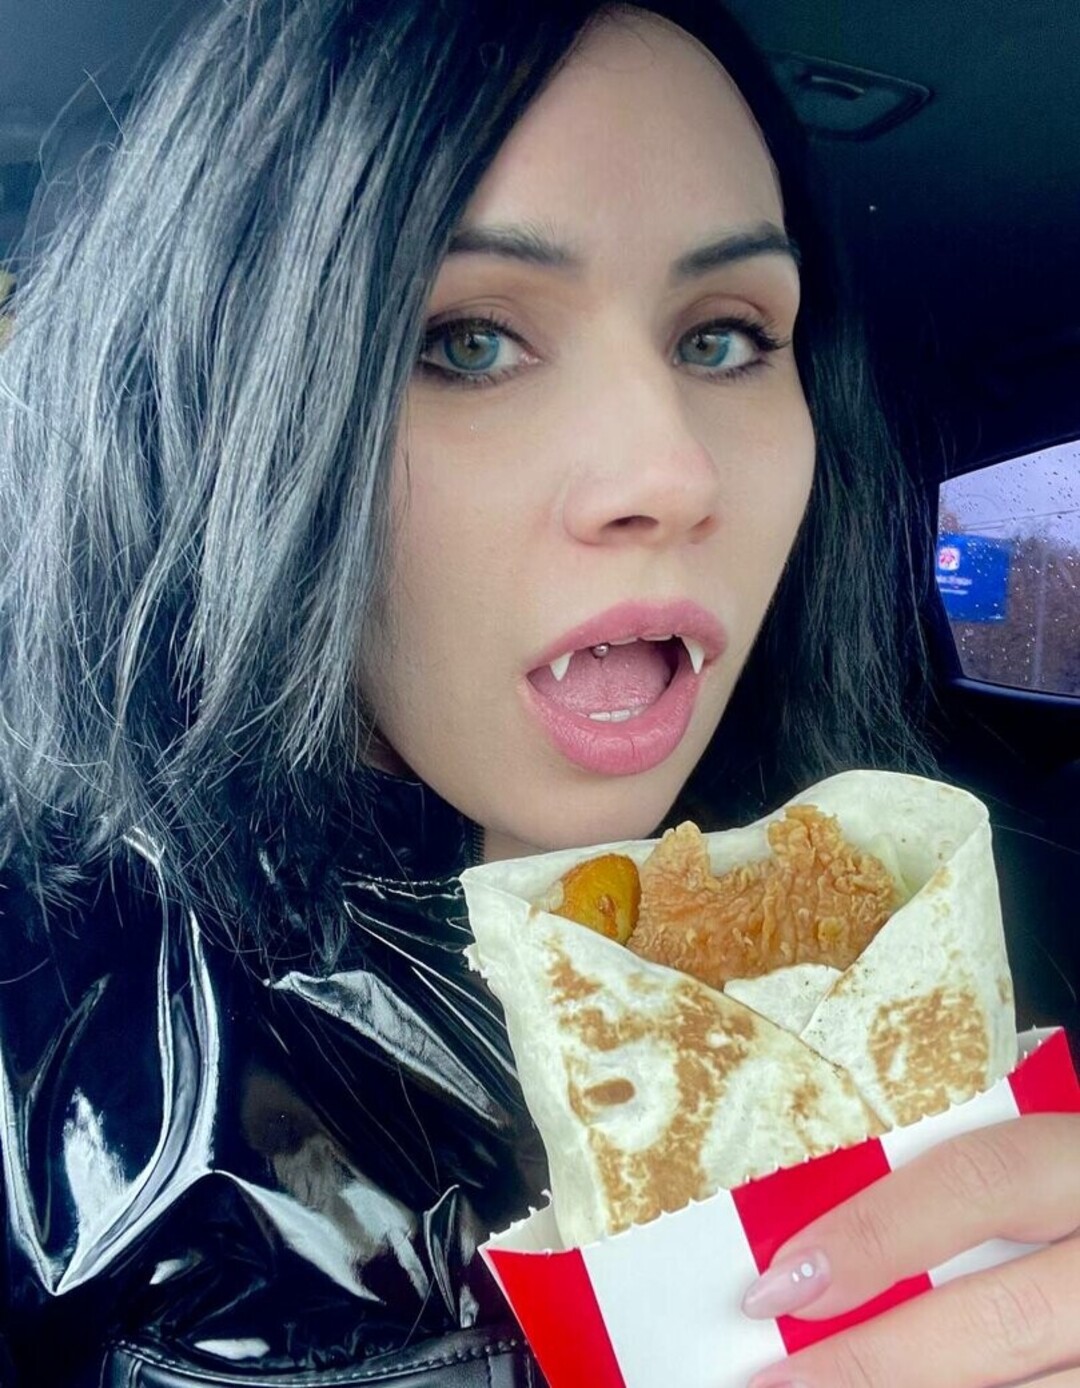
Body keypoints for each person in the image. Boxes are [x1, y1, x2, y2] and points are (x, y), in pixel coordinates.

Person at [0, 2, 1074, 1385]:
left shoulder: (924, 934)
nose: (674, 472)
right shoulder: (50, 1022)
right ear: (218, 405)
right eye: (468, 340)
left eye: (723, 338)